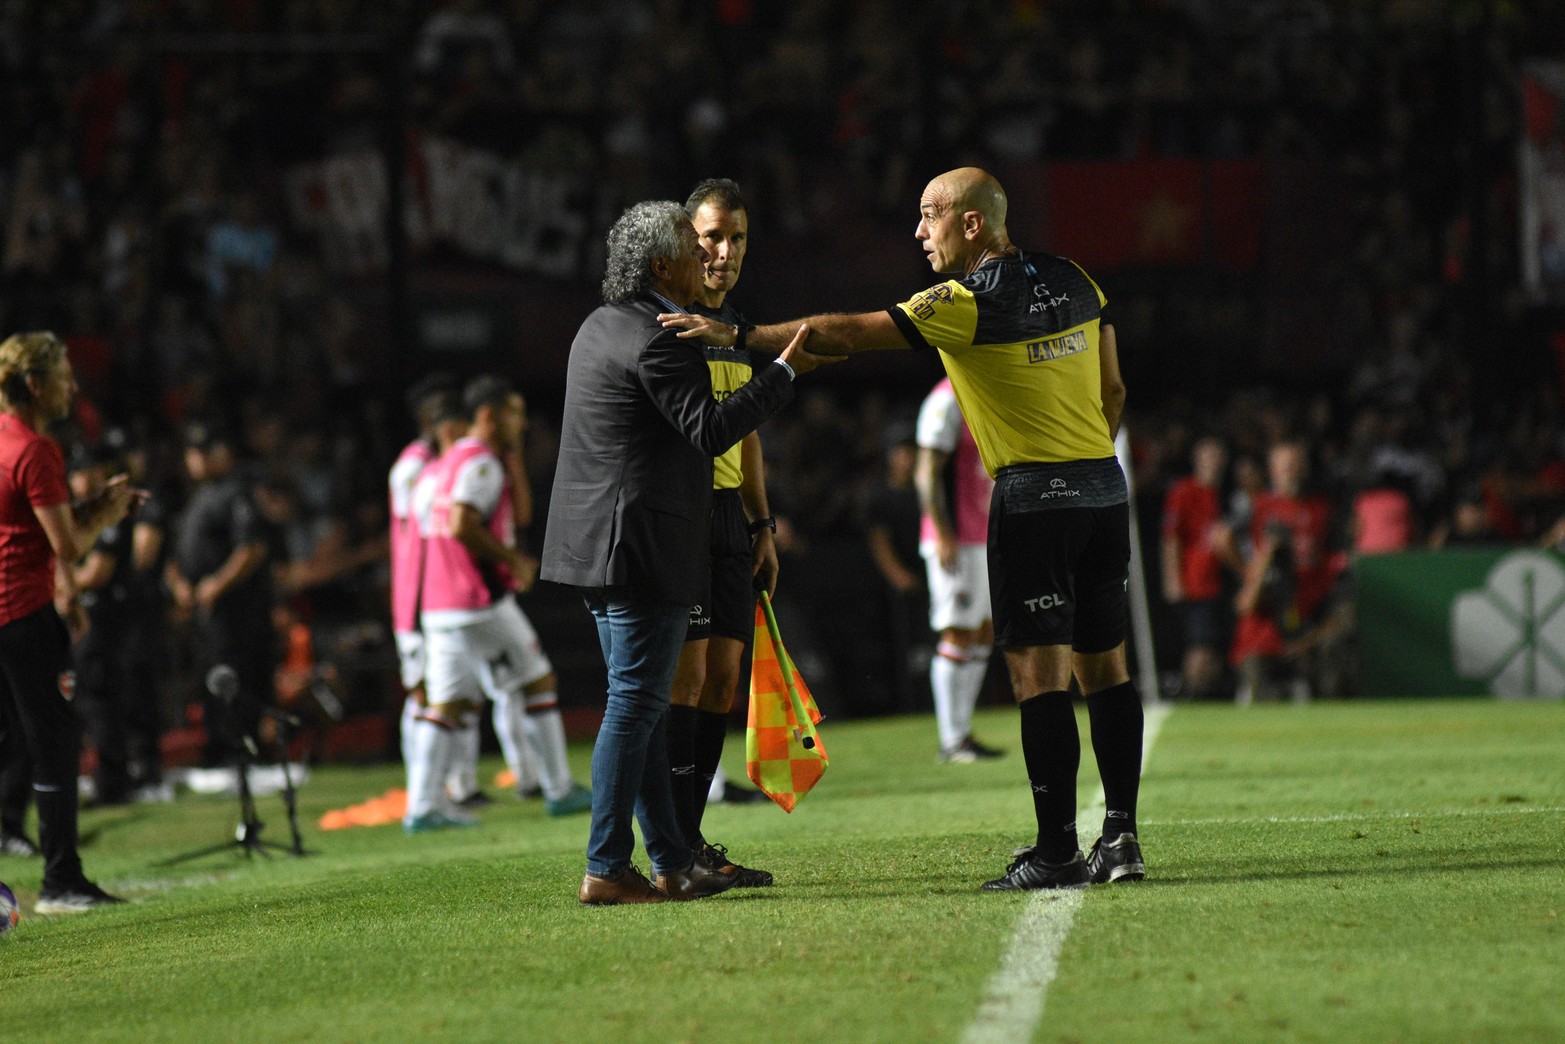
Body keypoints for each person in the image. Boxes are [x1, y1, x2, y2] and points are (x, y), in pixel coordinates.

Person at [661, 167, 1145, 890]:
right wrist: (1081, 459)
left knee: (1037, 675)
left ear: (972, 224)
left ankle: (1054, 852)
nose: (919, 232)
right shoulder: (1078, 280)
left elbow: (843, 336)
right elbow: (1113, 391)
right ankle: (1122, 839)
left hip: (1033, 496)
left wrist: (743, 333)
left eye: (930, 216)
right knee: (1105, 668)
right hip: (1104, 490)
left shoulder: (963, 300)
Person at [541, 199, 832, 905]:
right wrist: (785, 370)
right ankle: (607, 864)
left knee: (632, 704)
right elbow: (711, 429)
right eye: (690, 244)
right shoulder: (661, 335)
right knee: (633, 708)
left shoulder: (597, 326)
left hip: (594, 546)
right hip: (644, 545)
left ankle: (670, 859)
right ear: (661, 263)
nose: (707, 258)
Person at [408, 374, 591, 833]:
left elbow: (502, 515)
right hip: (476, 598)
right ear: (489, 415)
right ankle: (557, 789)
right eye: (515, 413)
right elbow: (461, 524)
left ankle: (422, 807)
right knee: (538, 678)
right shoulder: (482, 465)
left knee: (445, 704)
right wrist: (513, 560)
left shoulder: (450, 461)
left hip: (438, 602)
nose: (523, 423)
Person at [0, 330, 142, 912]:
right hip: (21, 612)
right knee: (55, 741)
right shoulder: (36, 449)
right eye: (63, 376)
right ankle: (61, 880)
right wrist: (104, 513)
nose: (72, 386)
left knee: (19, 737)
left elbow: (26, 527)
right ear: (35, 385)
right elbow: (68, 546)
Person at [665, 178, 776, 888]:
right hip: (682, 515)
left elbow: (750, 433)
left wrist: (763, 522)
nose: (723, 251)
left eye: (735, 238)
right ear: (685, 237)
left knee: (723, 681)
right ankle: (671, 844)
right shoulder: (666, 322)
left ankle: (692, 836)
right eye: (711, 236)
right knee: (689, 677)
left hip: (733, 516)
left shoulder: (735, 326)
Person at [166, 419, 274, 767]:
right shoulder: (196, 496)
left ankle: (241, 751)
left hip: (237, 610)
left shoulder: (236, 492)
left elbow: (252, 549)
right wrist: (181, 584)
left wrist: (218, 584)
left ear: (222, 454)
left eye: (203, 452)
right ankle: (218, 749)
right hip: (206, 612)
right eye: (192, 453)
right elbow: (179, 553)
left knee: (236, 679)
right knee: (211, 678)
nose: (195, 460)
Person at [915, 376, 1004, 763]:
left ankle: (963, 733)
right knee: (958, 631)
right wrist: (942, 533)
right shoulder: (945, 398)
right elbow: (926, 472)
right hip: (956, 538)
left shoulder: (984, 388)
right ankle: (951, 740)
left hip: (983, 532)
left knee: (983, 631)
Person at [1230, 439, 1346, 705]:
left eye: (1295, 464)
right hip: (1269, 612)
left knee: (1338, 632)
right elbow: (1223, 537)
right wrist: (1250, 570)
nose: (1291, 471)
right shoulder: (1260, 507)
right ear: (1273, 470)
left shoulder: (1320, 508)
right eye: (1285, 466)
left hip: (1309, 610)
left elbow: (1332, 558)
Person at [1159, 436, 1239, 701]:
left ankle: (1207, 698)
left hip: (1222, 580)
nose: (1213, 463)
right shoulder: (1184, 491)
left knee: (1215, 647)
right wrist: (1173, 579)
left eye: (1218, 458)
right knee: (1200, 647)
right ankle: (1190, 696)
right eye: (1208, 457)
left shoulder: (1225, 495)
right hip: (1196, 582)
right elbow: (1171, 537)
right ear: (1197, 460)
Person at [862, 418, 930, 714]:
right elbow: (879, 541)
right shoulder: (880, 496)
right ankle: (907, 706)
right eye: (902, 451)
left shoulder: (924, 491)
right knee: (904, 650)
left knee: (928, 647)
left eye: (912, 450)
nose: (909, 457)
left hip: (928, 577)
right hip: (897, 586)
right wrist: (899, 577)